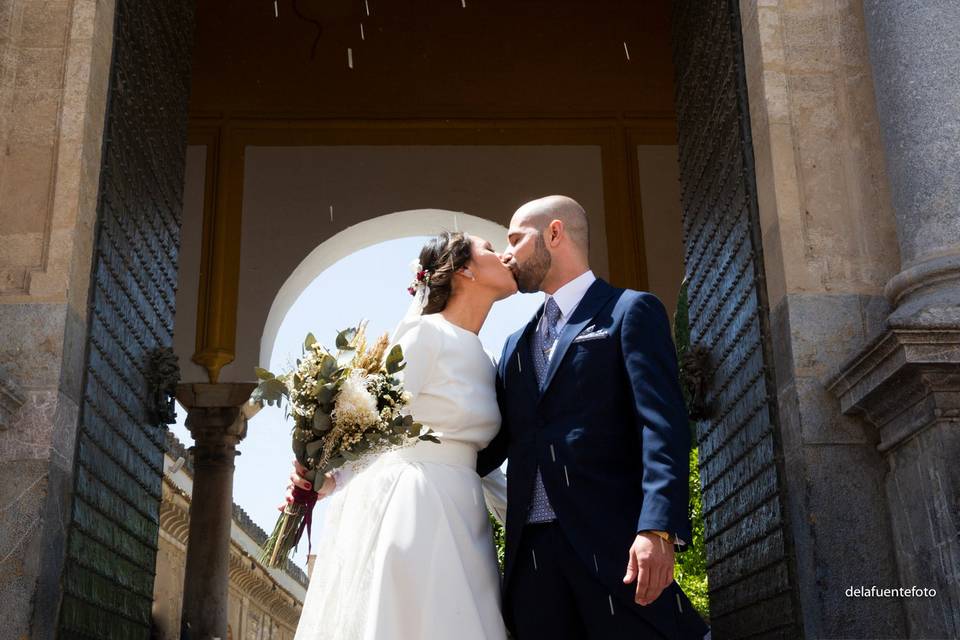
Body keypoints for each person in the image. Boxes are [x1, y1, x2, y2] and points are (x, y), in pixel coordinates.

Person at [476, 195, 709, 639]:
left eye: (515, 239)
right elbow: (491, 446)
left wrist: (658, 528)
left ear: (555, 233)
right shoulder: (513, 346)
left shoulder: (629, 311)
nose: (506, 254)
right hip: (532, 562)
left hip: (614, 545)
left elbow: (660, 425)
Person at [289, 231, 516, 640]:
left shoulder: (486, 357)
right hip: (420, 503)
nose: (503, 254)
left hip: (466, 510)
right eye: (489, 249)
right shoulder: (425, 335)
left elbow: (476, 458)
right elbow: (376, 428)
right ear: (464, 269)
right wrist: (330, 478)